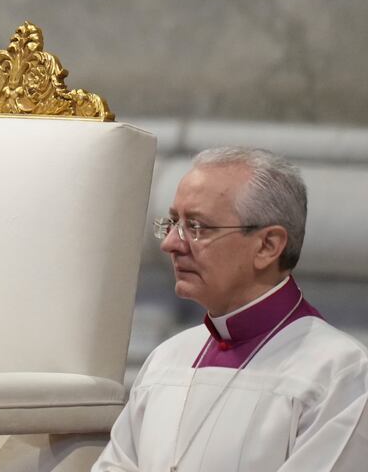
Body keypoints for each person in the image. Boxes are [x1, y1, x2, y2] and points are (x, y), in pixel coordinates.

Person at [95, 147, 368, 471]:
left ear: (267, 246)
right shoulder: (167, 359)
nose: (170, 243)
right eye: (172, 222)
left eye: (196, 227)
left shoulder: (339, 373)